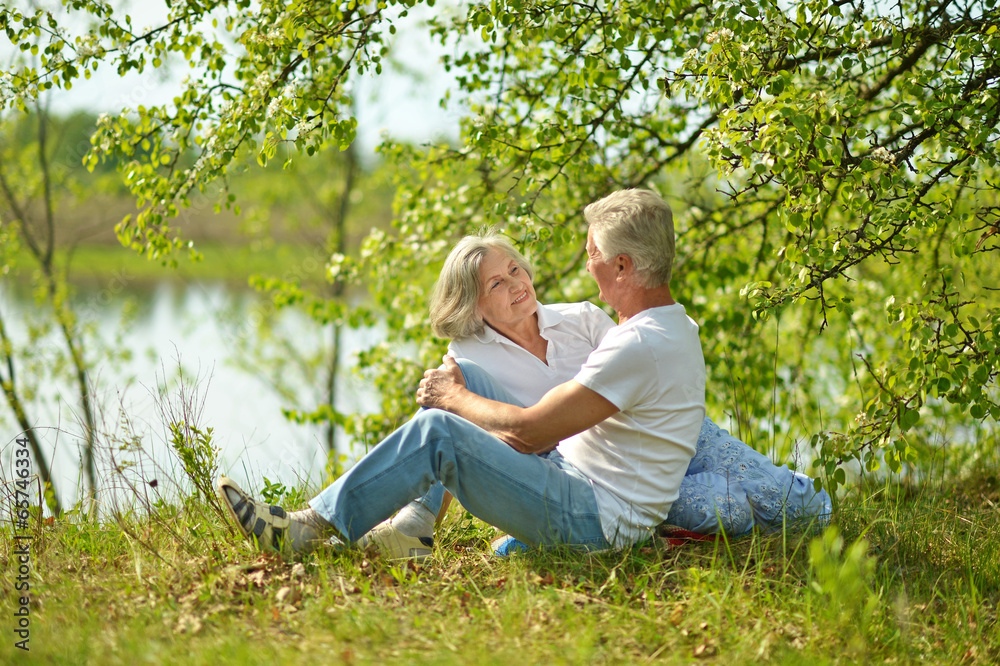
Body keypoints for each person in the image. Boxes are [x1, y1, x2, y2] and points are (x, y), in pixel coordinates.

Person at [217, 189, 826, 558]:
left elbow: (534, 433)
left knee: (439, 433)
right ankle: (411, 527)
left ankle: (310, 528)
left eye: (590, 254)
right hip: (578, 478)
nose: (583, 266)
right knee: (455, 407)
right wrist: (464, 390)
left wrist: (454, 399)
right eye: (497, 283)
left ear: (619, 263)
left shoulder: (633, 344)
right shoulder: (672, 327)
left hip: (595, 515)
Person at [359, 230, 829, 559]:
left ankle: (786, 504)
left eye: (516, 268)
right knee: (716, 507)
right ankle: (423, 522)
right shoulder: (467, 358)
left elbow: (642, 373)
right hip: (590, 474)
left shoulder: (582, 317)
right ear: (472, 303)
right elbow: (459, 430)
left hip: (655, 432)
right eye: (497, 283)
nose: (518, 284)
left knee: (804, 506)